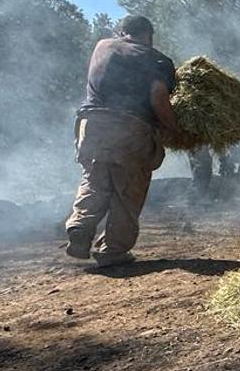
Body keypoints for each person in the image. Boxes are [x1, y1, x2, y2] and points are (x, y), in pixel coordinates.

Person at [64, 14, 181, 267]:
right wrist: (175, 128)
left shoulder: (102, 46)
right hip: (130, 128)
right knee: (127, 191)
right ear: (149, 36)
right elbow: (159, 95)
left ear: (121, 32)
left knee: (94, 178)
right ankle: (112, 251)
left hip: (91, 124)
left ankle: (80, 227)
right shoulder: (157, 58)